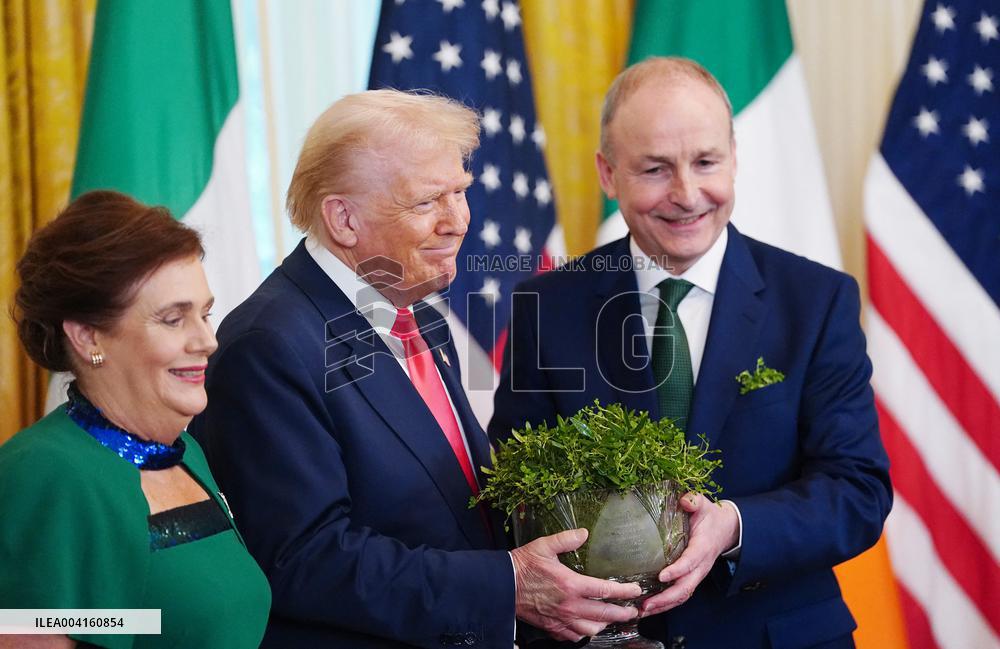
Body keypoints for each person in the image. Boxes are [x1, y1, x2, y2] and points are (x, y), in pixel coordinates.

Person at [188, 88, 641, 649]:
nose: (458, 222)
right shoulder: (268, 345)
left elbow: (456, 507)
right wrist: (508, 583)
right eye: (427, 202)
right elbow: (304, 560)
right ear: (343, 219)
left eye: (459, 193)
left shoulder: (417, 312)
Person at [490, 57, 892, 649]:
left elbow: (857, 490)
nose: (686, 194)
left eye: (706, 162)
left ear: (734, 155)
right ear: (608, 174)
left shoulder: (816, 300)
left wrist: (732, 525)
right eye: (655, 169)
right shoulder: (546, 307)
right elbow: (511, 488)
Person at [0, 190, 270, 649]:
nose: (207, 340)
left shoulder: (185, 454)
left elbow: (144, 620)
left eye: (205, 314)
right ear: (87, 337)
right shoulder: (44, 472)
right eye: (173, 319)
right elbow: (48, 631)